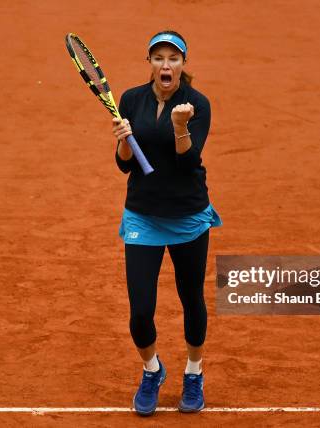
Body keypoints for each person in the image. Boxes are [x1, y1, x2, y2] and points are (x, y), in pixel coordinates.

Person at [111, 30, 222, 416]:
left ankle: (194, 371)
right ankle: (152, 369)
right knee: (141, 310)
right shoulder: (130, 99)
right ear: (150, 64)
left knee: (191, 298)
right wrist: (123, 140)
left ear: (183, 65)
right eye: (158, 58)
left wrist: (180, 127)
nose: (166, 65)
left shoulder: (197, 104)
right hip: (142, 213)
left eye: (173, 58)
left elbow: (188, 163)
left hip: (188, 215)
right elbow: (125, 163)